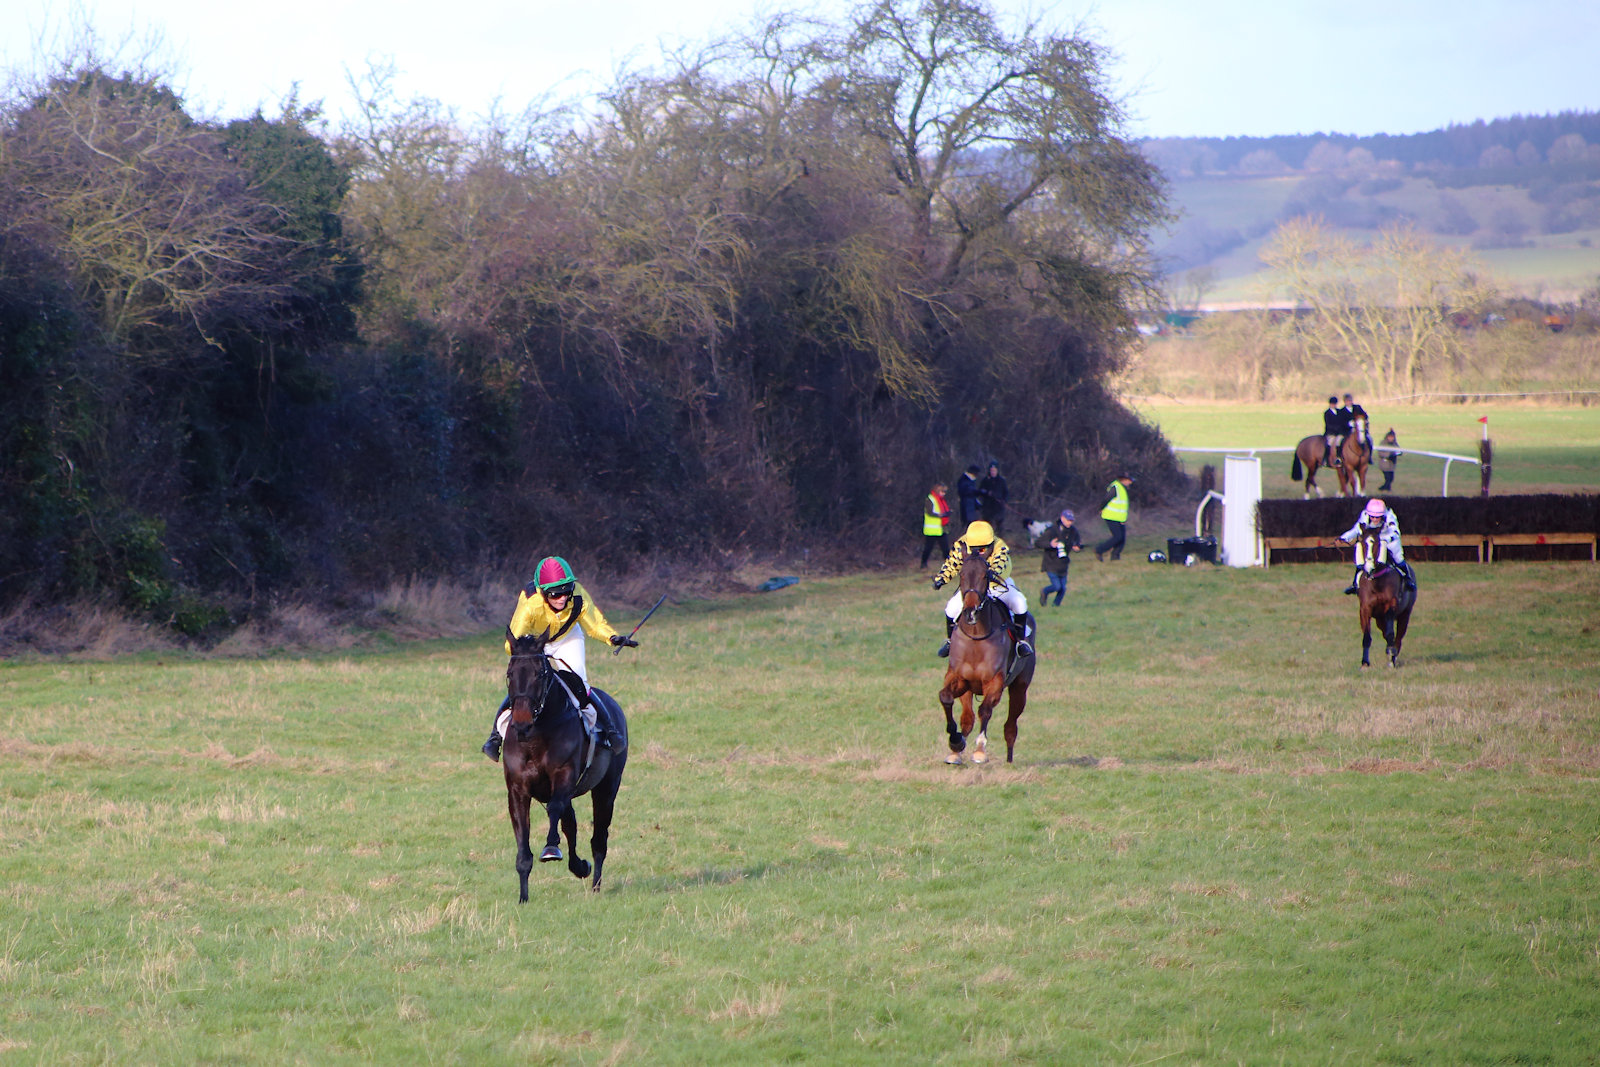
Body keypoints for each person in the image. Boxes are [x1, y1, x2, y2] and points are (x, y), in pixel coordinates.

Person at [481, 556, 638, 761]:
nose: (562, 598)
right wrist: (528, 653)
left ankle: (610, 732)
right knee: (524, 686)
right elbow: (512, 643)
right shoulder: (530, 603)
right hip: (536, 643)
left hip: (567, 637)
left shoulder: (578, 595)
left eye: (566, 591)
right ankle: (495, 737)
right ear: (543, 593)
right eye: (555, 594)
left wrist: (613, 637)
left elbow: (595, 624)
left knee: (579, 683)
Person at [931, 520, 1032, 658]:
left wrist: (993, 573)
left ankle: (1021, 642)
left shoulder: (999, 546)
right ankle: (950, 641)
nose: (978, 552)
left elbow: (1000, 562)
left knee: (1020, 603)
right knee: (950, 609)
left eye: (982, 549)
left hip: (997, 584)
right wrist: (941, 579)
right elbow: (952, 564)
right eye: (974, 548)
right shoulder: (961, 545)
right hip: (973, 586)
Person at [1336, 498, 1414, 595]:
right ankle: (1355, 584)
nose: (1375, 519)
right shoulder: (1364, 515)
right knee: (1360, 550)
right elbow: (1356, 530)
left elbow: (1395, 532)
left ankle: (1408, 579)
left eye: (1378, 517)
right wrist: (1343, 538)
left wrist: (1385, 540)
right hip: (1372, 540)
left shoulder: (1389, 515)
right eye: (1372, 517)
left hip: (1387, 539)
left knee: (1398, 557)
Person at [1037, 508, 1082, 606]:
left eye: (1071, 520)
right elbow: (1038, 543)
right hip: (1051, 563)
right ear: (1062, 518)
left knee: (1063, 589)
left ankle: (1055, 606)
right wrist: (1050, 544)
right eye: (1068, 520)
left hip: (1063, 564)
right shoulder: (1052, 530)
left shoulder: (1073, 531)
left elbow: (1078, 542)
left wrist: (1077, 546)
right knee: (1057, 586)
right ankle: (1044, 591)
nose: (1070, 522)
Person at [1094, 474, 1133, 561]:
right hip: (1110, 516)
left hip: (1118, 517)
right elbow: (1106, 499)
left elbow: (1122, 506)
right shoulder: (1115, 487)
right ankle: (1099, 550)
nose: (1130, 482)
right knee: (1117, 536)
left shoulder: (1122, 488)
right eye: (1129, 480)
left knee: (1122, 538)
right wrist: (1101, 508)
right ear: (1124, 479)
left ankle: (1115, 556)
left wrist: (1123, 519)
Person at [920, 483, 952, 568]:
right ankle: (923, 564)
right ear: (937, 490)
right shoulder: (930, 499)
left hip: (941, 528)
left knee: (945, 548)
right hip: (932, 530)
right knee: (928, 548)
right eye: (942, 491)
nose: (944, 494)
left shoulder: (941, 500)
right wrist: (941, 515)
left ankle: (949, 565)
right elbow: (929, 512)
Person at [977, 461, 1009, 533]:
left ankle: (999, 537)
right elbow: (980, 491)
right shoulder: (985, 480)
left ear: (997, 471)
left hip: (999, 506)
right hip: (988, 506)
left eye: (994, 470)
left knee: (999, 524)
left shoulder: (1001, 480)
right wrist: (987, 493)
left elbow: (1006, 492)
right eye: (991, 470)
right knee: (987, 524)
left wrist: (1004, 501)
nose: (993, 472)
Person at [1322, 396, 1346, 468]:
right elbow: (1328, 424)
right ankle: (1326, 459)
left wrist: (1341, 429)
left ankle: (1339, 457)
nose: (1333, 405)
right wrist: (1336, 429)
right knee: (1330, 442)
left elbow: (1342, 422)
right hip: (1331, 432)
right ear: (1330, 404)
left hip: (1339, 432)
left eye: (1334, 404)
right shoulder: (1327, 413)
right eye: (1332, 404)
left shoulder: (1339, 412)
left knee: (1339, 441)